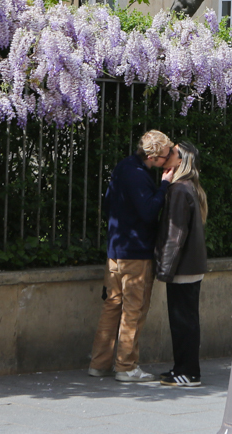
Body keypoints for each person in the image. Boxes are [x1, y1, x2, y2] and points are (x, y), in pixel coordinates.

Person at [89, 130, 175, 383]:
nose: (170, 156)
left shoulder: (124, 167)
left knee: (112, 306)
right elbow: (148, 211)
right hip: (135, 253)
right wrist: (164, 186)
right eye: (167, 153)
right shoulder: (138, 175)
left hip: (115, 251)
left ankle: (99, 363)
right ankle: (126, 366)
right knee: (134, 309)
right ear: (155, 156)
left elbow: (108, 203)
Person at [154, 141, 208, 387]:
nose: (167, 155)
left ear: (181, 161)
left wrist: (164, 269)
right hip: (191, 266)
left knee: (182, 321)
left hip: (182, 267)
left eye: (173, 152)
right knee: (186, 319)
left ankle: (188, 372)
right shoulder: (189, 188)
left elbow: (174, 236)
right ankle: (183, 368)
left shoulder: (178, 191)